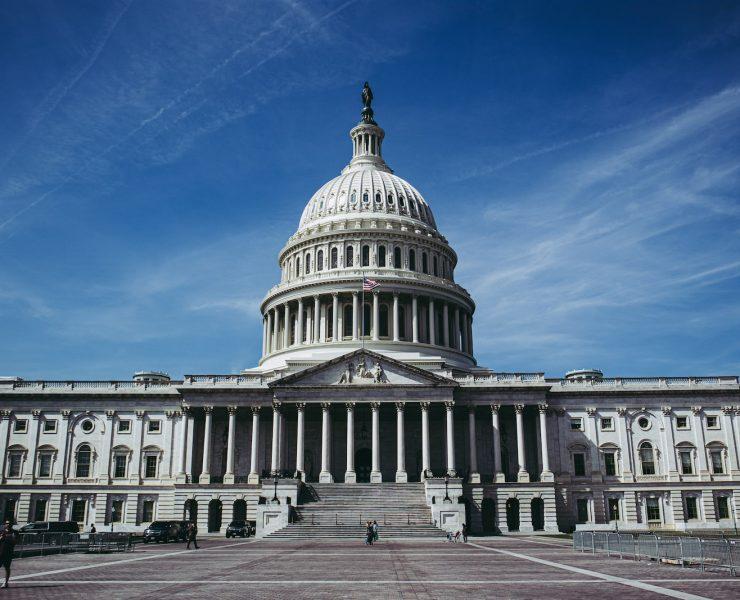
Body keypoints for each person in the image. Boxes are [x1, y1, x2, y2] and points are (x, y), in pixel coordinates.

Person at [0, 521, 18, 589]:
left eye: (9, 523)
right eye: (7, 523)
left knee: (7, 568)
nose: (8, 525)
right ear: (4, 524)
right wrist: (1, 537)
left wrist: (13, 538)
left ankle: (6, 582)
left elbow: (16, 542)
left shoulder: (15, 532)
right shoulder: (1, 531)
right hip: (0, 552)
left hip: (8, 553)